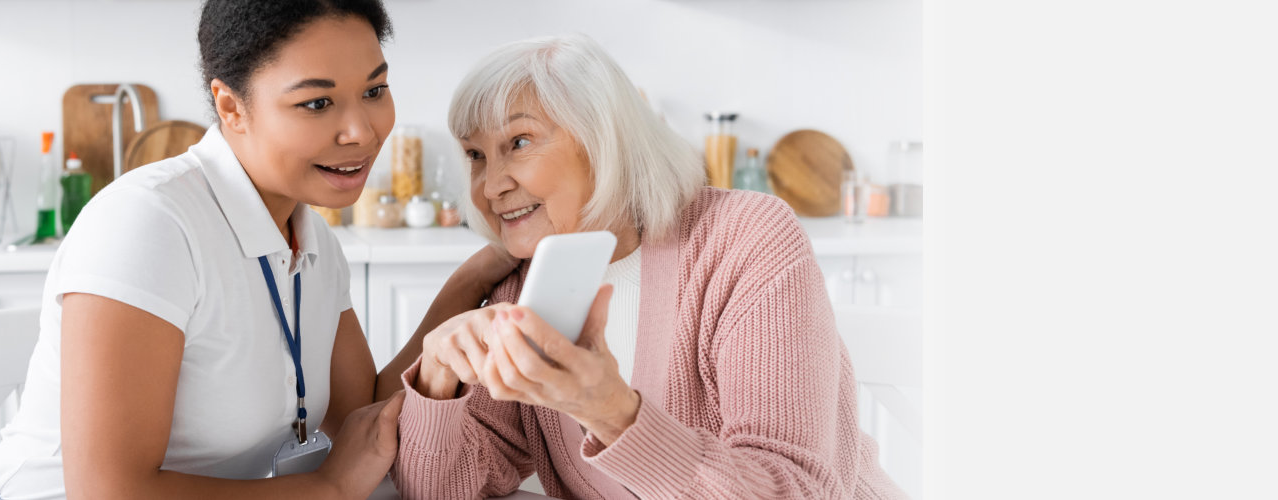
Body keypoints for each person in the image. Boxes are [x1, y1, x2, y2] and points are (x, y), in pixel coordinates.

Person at [378, 34, 906, 499]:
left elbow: (795, 490)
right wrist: (437, 377)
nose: (491, 186)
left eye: (518, 143)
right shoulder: (520, 289)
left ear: (604, 140)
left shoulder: (744, 239)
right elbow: (440, 488)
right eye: (475, 155)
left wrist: (611, 411)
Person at [0, 1, 405, 499]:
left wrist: (478, 279)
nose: (362, 131)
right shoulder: (148, 223)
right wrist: (330, 487)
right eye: (317, 103)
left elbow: (363, 416)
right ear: (231, 106)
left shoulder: (312, 239)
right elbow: (108, 492)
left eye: (374, 91)